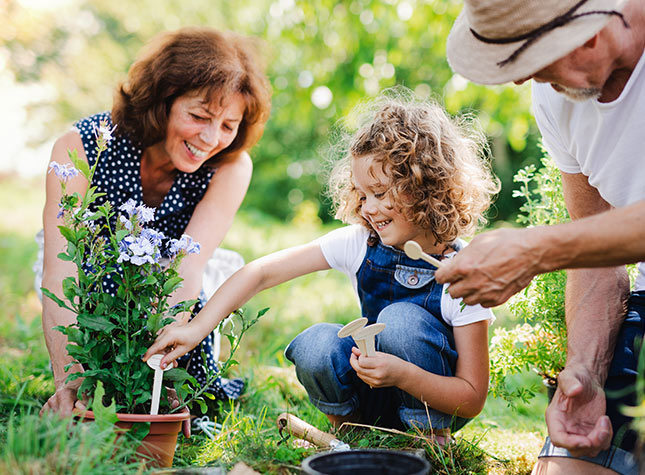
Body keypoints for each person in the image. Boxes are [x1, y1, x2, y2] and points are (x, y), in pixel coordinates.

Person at [144, 93, 499, 436]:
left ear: (425, 187)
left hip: (433, 401)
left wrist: (402, 374)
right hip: (372, 389)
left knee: (401, 321)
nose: (368, 208)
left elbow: (471, 397)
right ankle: (350, 429)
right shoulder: (362, 242)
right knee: (317, 343)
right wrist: (195, 329)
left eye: (380, 193)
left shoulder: (461, 273)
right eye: (362, 194)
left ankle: (428, 438)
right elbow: (261, 273)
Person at [441, 1, 645, 473]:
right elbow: (596, 251)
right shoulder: (557, 100)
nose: (521, 80)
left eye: (530, 60)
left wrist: (535, 249)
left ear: (590, 35)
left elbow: (569, 243)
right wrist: (586, 371)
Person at [39, 26, 272, 416]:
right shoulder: (78, 146)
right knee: (90, 377)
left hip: (166, 294)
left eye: (228, 126)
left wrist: (155, 365)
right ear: (163, 102)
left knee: (189, 391)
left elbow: (188, 266)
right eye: (199, 116)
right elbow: (60, 267)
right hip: (90, 288)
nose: (212, 138)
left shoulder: (230, 166)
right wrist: (70, 380)